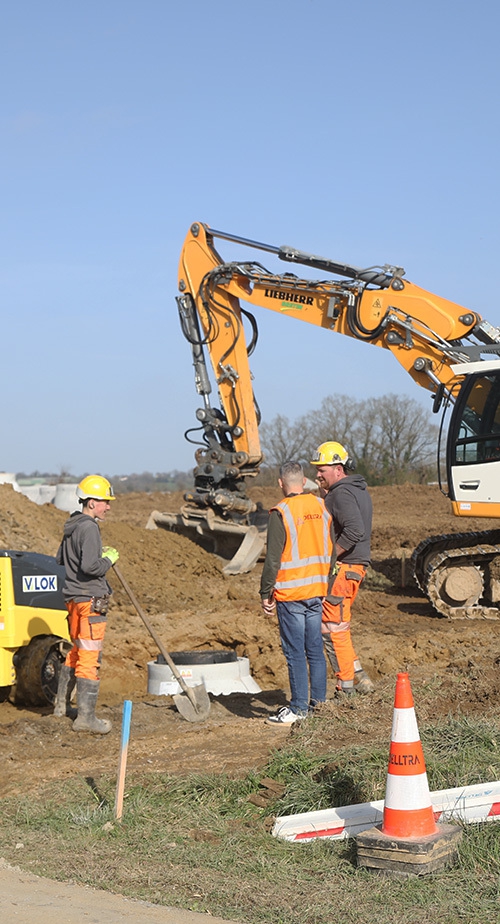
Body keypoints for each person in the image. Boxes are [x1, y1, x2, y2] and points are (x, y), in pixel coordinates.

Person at [260, 461, 333, 724]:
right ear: (303, 482)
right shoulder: (321, 506)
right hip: (317, 590)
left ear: (281, 483)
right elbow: (332, 547)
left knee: (295, 653)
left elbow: (273, 558)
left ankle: (299, 708)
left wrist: (265, 592)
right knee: (315, 648)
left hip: (291, 594)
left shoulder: (281, 512)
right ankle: (320, 705)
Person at [53, 475, 119, 733]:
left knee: (76, 651)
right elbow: (91, 566)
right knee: (90, 655)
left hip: (71, 598)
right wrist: (109, 560)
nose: (108, 506)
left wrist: (94, 554)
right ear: (91, 502)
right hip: (90, 600)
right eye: (105, 501)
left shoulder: (71, 524)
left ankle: (61, 707)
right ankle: (86, 719)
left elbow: (61, 559)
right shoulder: (89, 527)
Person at [311, 441, 375, 695]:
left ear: (338, 469)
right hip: (354, 569)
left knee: (331, 628)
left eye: (322, 469)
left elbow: (355, 529)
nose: (317, 474)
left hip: (344, 569)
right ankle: (360, 678)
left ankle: (345, 688)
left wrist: (330, 556)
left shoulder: (340, 493)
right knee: (340, 626)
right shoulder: (356, 490)